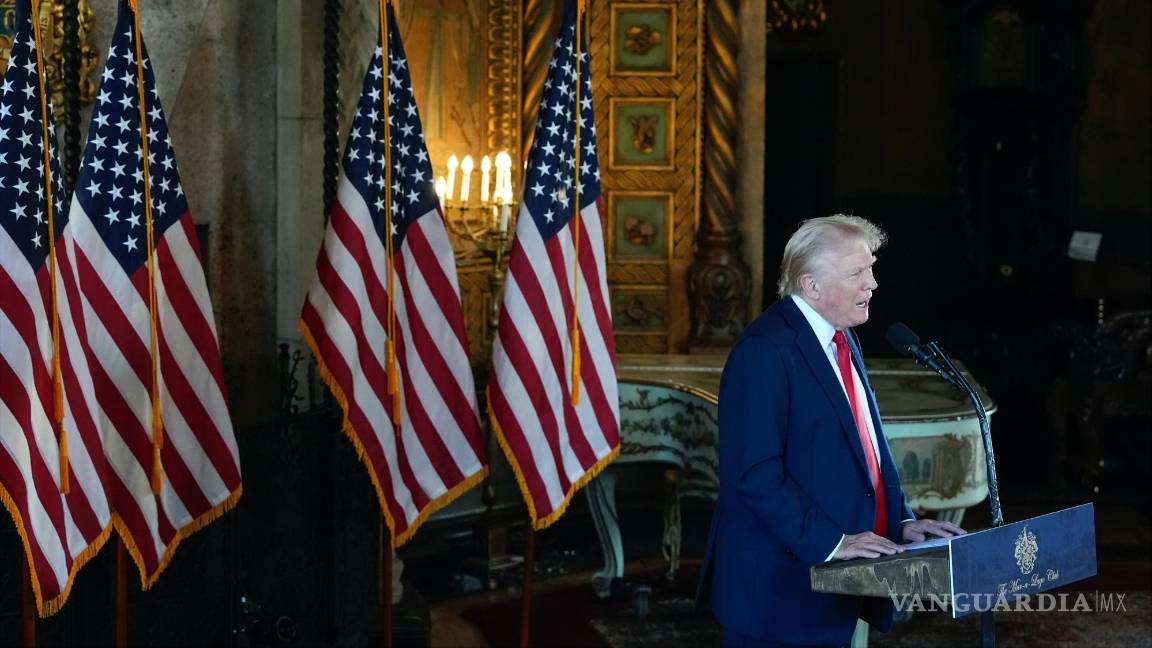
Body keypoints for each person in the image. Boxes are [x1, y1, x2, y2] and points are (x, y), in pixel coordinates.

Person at [696, 215, 965, 647]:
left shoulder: (841, 338)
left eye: (871, 268)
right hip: (778, 596)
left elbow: (867, 450)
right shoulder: (764, 351)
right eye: (857, 272)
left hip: (837, 587)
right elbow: (753, 474)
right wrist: (832, 542)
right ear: (811, 285)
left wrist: (899, 523)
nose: (872, 283)